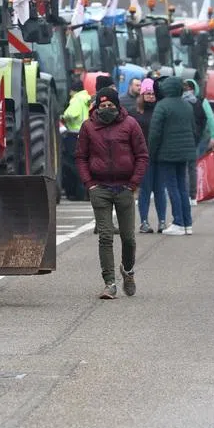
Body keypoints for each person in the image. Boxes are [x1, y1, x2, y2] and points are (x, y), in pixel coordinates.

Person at [75, 86, 149, 299]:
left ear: (118, 106)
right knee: (106, 236)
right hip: (100, 188)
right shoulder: (88, 127)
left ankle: (127, 270)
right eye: (103, 105)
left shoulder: (130, 125)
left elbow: (142, 155)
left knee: (128, 238)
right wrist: (89, 183)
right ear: (97, 107)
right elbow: (81, 156)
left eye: (110, 105)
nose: (106, 109)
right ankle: (109, 283)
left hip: (125, 188)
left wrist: (133, 183)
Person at [149, 77, 197, 235]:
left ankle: (178, 222)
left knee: (172, 188)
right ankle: (187, 223)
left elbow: (155, 133)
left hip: (166, 153)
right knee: (183, 187)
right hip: (185, 152)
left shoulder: (162, 106)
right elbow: (194, 129)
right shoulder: (187, 106)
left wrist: (152, 152)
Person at [131, 79, 166, 233]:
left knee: (159, 190)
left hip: (160, 156)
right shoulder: (135, 113)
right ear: (142, 94)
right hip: (143, 156)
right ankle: (144, 222)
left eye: (153, 93)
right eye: (147, 93)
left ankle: (162, 221)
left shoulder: (161, 111)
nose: (151, 96)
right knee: (145, 190)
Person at [182, 78, 214, 205]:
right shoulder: (200, 102)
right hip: (195, 139)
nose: (188, 91)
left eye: (190, 88)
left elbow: (207, 119)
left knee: (186, 167)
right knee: (191, 167)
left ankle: (188, 194)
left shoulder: (178, 102)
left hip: (188, 139)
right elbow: (206, 119)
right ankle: (192, 195)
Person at [61, 78, 92, 200]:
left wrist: (64, 117)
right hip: (85, 133)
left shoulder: (76, 99)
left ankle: (77, 193)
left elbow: (71, 114)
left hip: (74, 135)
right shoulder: (86, 98)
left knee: (74, 165)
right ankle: (85, 192)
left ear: (73, 91)